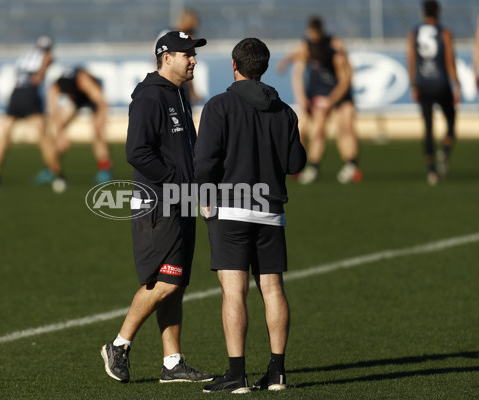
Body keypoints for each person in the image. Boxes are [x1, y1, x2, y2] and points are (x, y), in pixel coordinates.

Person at [195, 38, 306, 393]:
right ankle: (277, 373)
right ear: (266, 66)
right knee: (272, 289)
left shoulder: (219, 106)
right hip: (271, 211)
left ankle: (236, 375)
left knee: (234, 291)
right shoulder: (285, 111)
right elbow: (295, 164)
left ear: (234, 65)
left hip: (230, 209)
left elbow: (205, 162)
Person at [100, 31, 212, 384]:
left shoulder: (179, 94)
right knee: (164, 280)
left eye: (194, 54)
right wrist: (177, 180)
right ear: (167, 57)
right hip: (158, 204)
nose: (193, 59)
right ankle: (118, 344)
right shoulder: (150, 97)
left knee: (174, 283)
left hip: (181, 200)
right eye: (187, 54)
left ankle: (171, 362)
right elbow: (136, 152)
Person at [0, 35, 66, 194]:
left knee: (4, 137)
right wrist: (42, 72)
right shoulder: (47, 55)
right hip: (30, 95)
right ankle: (58, 176)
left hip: (16, 95)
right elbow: (38, 77)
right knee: (44, 139)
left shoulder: (25, 56)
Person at [286, 16, 362, 185]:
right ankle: (311, 167)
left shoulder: (335, 49)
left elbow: (346, 78)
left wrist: (331, 100)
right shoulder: (305, 47)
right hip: (318, 95)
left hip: (337, 94)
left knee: (345, 127)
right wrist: (302, 97)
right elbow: (296, 68)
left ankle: (352, 165)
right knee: (310, 129)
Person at [407, 0, 460, 185]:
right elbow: (449, 59)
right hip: (441, 84)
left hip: (423, 85)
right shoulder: (444, 33)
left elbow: (411, 59)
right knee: (451, 122)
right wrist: (456, 85)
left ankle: (431, 171)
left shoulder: (414, 33)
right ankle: (444, 151)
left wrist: (413, 85)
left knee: (428, 128)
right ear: (438, 12)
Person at [40, 67, 112, 184]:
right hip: (77, 99)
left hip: (93, 99)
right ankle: (51, 168)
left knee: (98, 132)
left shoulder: (84, 81)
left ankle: (105, 170)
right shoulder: (56, 86)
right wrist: (60, 133)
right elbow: (53, 112)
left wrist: (100, 119)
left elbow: (101, 102)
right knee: (58, 129)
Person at [156, 9, 203, 104]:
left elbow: (187, 68)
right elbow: (158, 61)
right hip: (168, 84)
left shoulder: (189, 38)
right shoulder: (166, 37)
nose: (194, 61)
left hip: (181, 85)